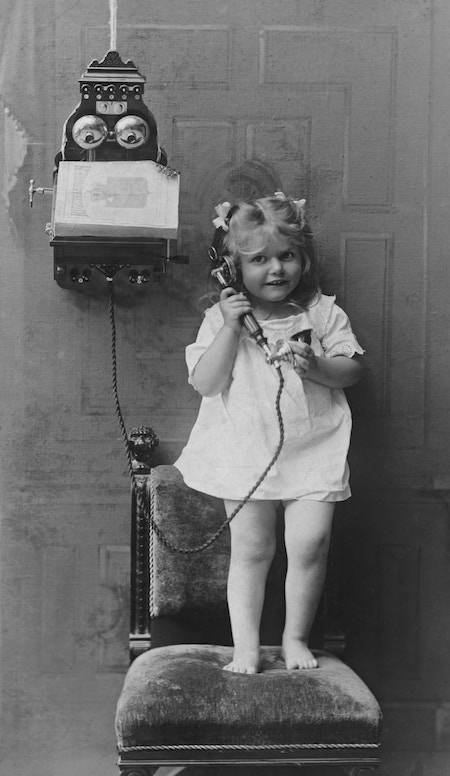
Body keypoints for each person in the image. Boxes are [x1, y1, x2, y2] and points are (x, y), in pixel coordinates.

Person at [174, 192, 364, 674]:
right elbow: (206, 383)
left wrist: (318, 367)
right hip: (247, 451)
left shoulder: (321, 313)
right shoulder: (221, 320)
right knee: (253, 549)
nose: (277, 269)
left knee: (310, 544)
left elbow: (352, 370)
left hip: (313, 446)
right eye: (259, 259)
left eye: (287, 255)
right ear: (232, 269)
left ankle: (295, 637)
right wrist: (230, 328)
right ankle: (247, 647)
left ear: (304, 258)